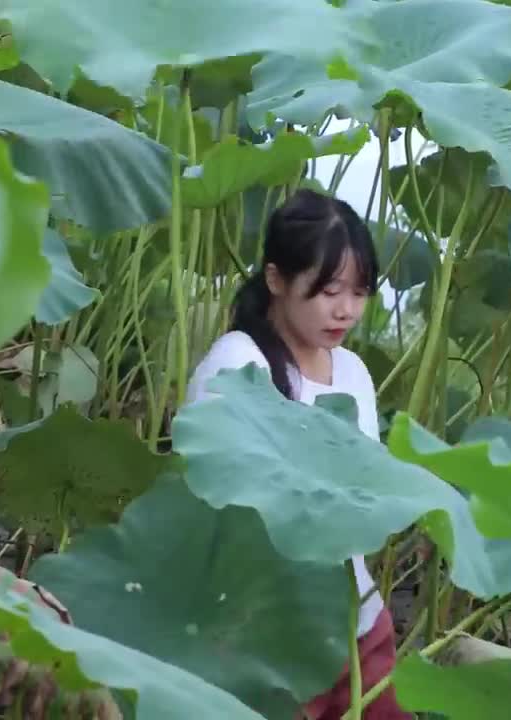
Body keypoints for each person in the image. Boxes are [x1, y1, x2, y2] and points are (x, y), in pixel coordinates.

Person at [183, 188, 410, 720]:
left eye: (358, 292)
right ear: (276, 279)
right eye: (329, 290)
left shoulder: (352, 370)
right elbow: (216, 503)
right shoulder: (238, 365)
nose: (347, 310)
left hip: (359, 616)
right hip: (274, 630)